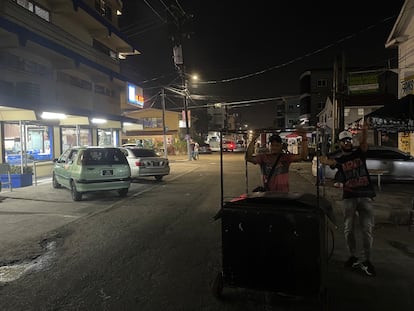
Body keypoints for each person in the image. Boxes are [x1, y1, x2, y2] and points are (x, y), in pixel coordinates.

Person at [320, 122, 377, 277]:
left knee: (367, 229)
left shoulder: (359, 153)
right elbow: (326, 161)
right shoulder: (339, 159)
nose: (347, 142)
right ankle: (353, 256)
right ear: (340, 143)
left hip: (365, 196)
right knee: (348, 228)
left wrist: (364, 131)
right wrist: (326, 156)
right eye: (344, 141)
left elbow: (364, 144)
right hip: (349, 197)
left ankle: (367, 260)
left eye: (349, 140)